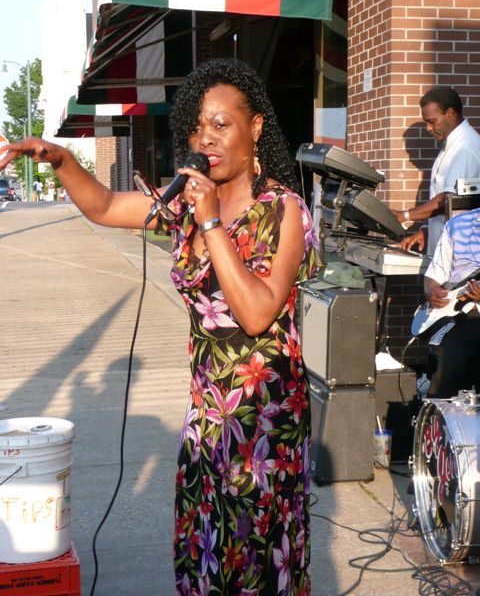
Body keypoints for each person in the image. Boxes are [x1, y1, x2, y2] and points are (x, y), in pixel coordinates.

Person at [0, 58, 320, 596]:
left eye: (221, 124)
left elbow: (258, 312)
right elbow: (103, 206)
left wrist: (212, 221)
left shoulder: (284, 210)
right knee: (207, 554)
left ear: (256, 127)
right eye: (197, 127)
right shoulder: (187, 205)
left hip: (262, 424)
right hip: (207, 418)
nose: (206, 138)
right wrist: (57, 158)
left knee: (256, 564)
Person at [392, 87, 480, 256]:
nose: (428, 128)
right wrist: (426, 230)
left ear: (450, 113)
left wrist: (404, 216)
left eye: (432, 121)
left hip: (459, 255)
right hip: (444, 251)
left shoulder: (466, 148)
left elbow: (448, 199)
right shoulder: (450, 147)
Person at [421, 208, 480, 398]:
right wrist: (431, 291)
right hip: (457, 313)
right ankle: (435, 423)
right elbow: (435, 272)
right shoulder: (457, 224)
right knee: (447, 369)